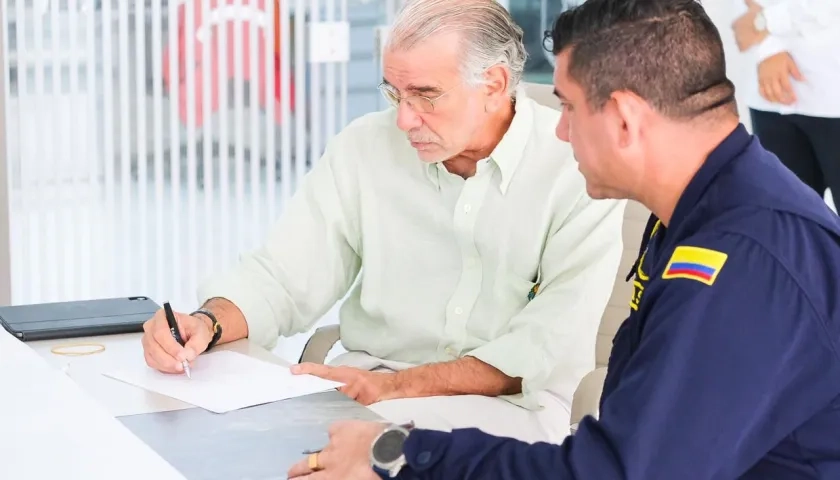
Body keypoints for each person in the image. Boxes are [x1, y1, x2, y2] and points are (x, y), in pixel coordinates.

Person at [286, 0, 840, 478]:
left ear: (623, 118)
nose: (559, 129)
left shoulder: (742, 258)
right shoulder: (706, 210)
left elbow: (617, 472)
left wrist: (400, 455)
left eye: (569, 107)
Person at [140, 0, 625, 445]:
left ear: (494, 84)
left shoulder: (577, 167)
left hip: (506, 408)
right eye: (395, 94)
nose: (403, 120)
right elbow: (283, 279)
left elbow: (544, 348)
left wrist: (392, 388)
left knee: (359, 455)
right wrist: (205, 324)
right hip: (364, 388)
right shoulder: (363, 148)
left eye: (426, 95)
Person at [732, 0, 840, 211]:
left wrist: (766, 21)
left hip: (832, 89)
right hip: (770, 92)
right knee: (789, 223)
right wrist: (768, 46)